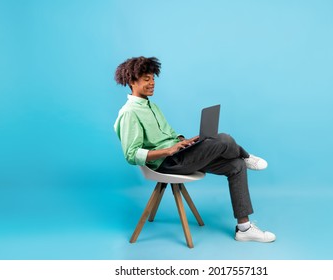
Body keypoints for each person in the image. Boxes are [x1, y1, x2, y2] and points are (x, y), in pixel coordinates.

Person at [114, 56, 276, 242]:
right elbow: (131, 154)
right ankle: (246, 155)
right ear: (132, 81)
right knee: (223, 138)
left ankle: (244, 228)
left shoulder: (152, 106)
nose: (152, 83)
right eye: (146, 79)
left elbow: (168, 136)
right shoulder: (129, 113)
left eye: (153, 78)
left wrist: (183, 141)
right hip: (168, 163)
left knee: (236, 165)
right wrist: (168, 151)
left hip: (180, 155)